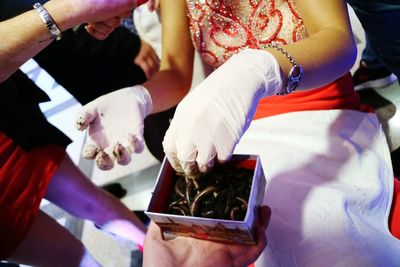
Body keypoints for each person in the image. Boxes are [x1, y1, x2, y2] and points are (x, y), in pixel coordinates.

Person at [78, 0, 400, 265]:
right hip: (237, 128)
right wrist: (140, 98)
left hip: (321, 108)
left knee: (331, 240)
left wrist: (260, 69)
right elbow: (176, 72)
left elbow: (339, 42)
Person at [0, 0, 150, 265]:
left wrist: (75, 11)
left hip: (9, 133)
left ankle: (151, 247)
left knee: (93, 202)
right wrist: (71, 10)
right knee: (71, 258)